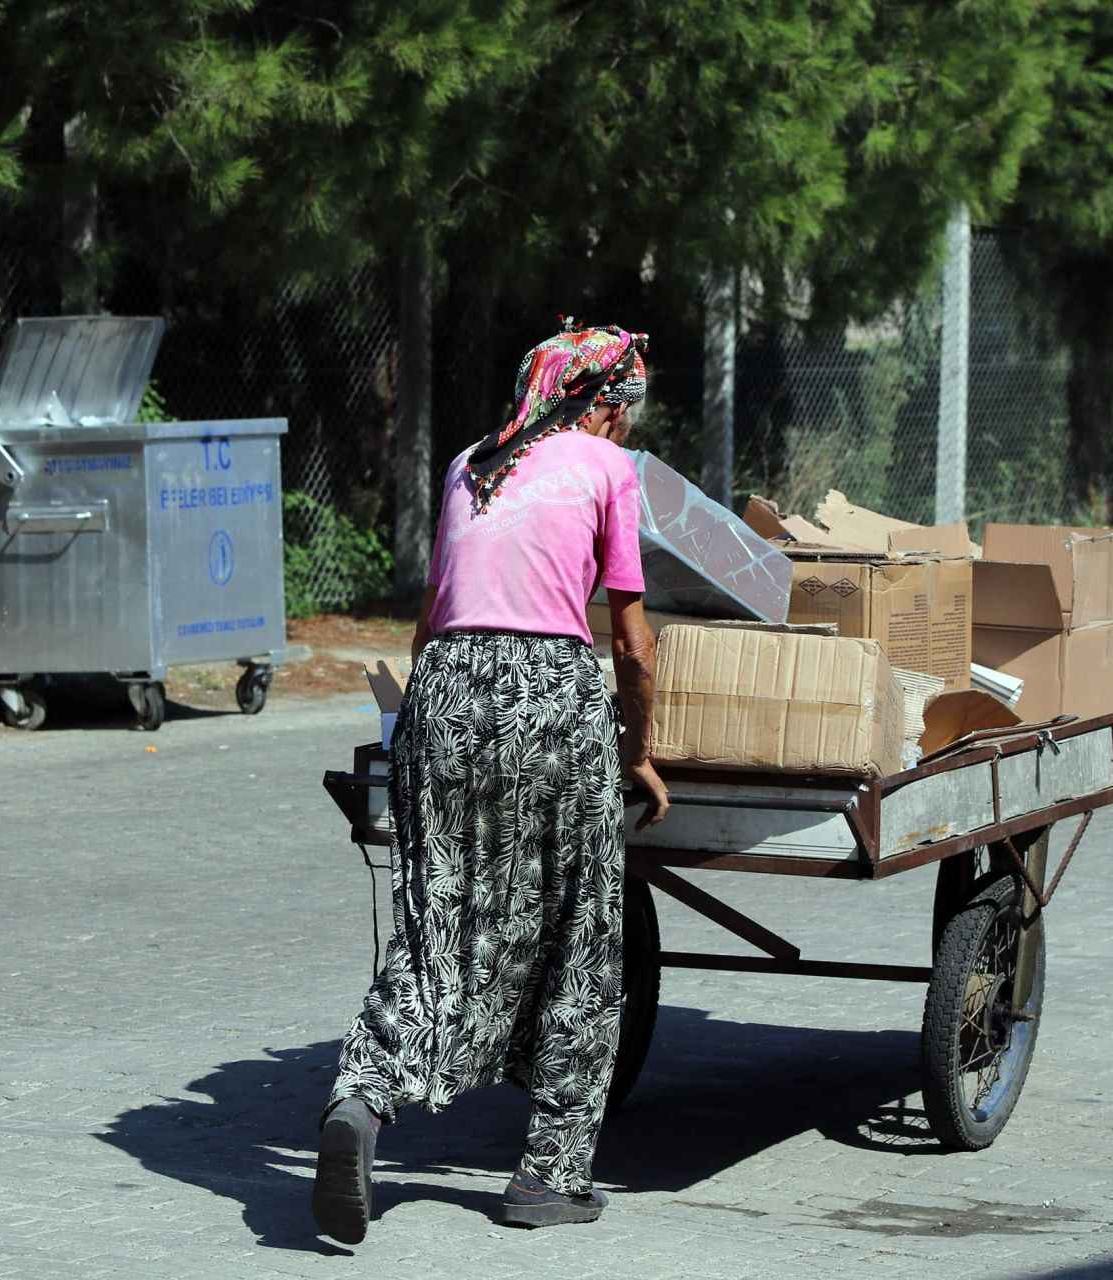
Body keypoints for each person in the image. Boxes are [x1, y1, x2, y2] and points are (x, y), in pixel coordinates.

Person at [312, 321, 671, 1242]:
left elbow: (433, 617)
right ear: (603, 407)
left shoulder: (469, 464)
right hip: (548, 695)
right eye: (627, 411)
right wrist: (637, 749)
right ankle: (548, 1175)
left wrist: (413, 729)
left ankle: (362, 1095)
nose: (628, 427)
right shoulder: (607, 468)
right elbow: (631, 642)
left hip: (444, 689)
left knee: (436, 920)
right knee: (581, 929)